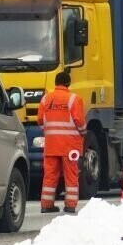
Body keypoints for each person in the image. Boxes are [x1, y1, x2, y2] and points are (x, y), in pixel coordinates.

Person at [37, 71, 86, 214]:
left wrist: (48, 132)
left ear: (56, 83)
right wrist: (83, 132)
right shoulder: (74, 99)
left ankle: (46, 205)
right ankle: (70, 205)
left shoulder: (46, 99)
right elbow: (79, 121)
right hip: (70, 147)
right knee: (71, 174)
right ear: (68, 83)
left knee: (50, 175)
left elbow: (40, 120)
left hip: (51, 145)